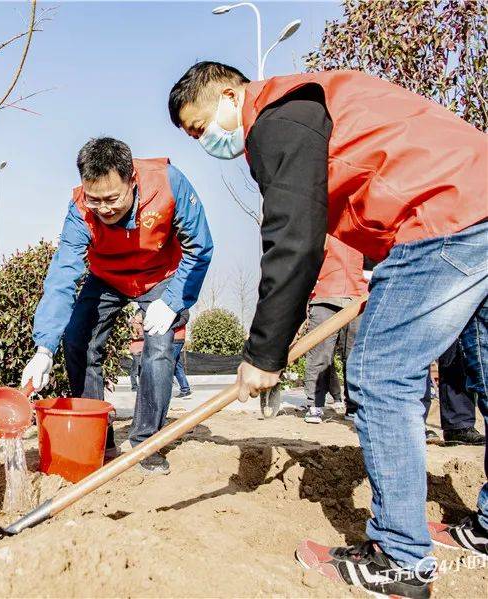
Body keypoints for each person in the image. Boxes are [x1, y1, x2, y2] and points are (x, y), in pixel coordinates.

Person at [169, 62, 486, 598]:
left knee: (380, 373)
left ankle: (401, 558)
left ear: (229, 94)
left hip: (442, 215)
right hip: (474, 197)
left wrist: (264, 353)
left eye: (201, 128)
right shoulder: (309, 107)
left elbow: (294, 238)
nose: (207, 143)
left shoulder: (277, 117)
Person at [21, 137, 213, 474]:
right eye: (95, 200)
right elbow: (63, 274)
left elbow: (199, 246)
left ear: (132, 180)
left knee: (158, 348)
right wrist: (44, 348)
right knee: (77, 339)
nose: (105, 209)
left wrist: (172, 302)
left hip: (160, 277)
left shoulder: (168, 183)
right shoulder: (80, 208)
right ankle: (99, 435)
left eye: (113, 199)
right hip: (107, 277)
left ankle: (146, 441)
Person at [303, 236, 366, 424]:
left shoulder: (364, 223)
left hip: (359, 296)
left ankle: (354, 406)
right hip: (325, 295)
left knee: (355, 356)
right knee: (320, 353)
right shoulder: (324, 221)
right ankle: (314, 404)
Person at [172, 325, 191, 398]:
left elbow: (182, 321)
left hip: (177, 339)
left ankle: (161, 390)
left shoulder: (179, 313)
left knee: (168, 363)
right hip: (175, 339)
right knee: (177, 365)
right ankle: (185, 389)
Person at [128, 311, 144, 392]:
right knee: (135, 369)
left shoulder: (141, 324)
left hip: (141, 349)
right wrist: (143, 336)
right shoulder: (132, 324)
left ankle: (141, 386)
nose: (142, 317)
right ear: (137, 315)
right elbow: (134, 336)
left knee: (141, 368)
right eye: (141, 316)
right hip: (136, 350)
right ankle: (134, 387)